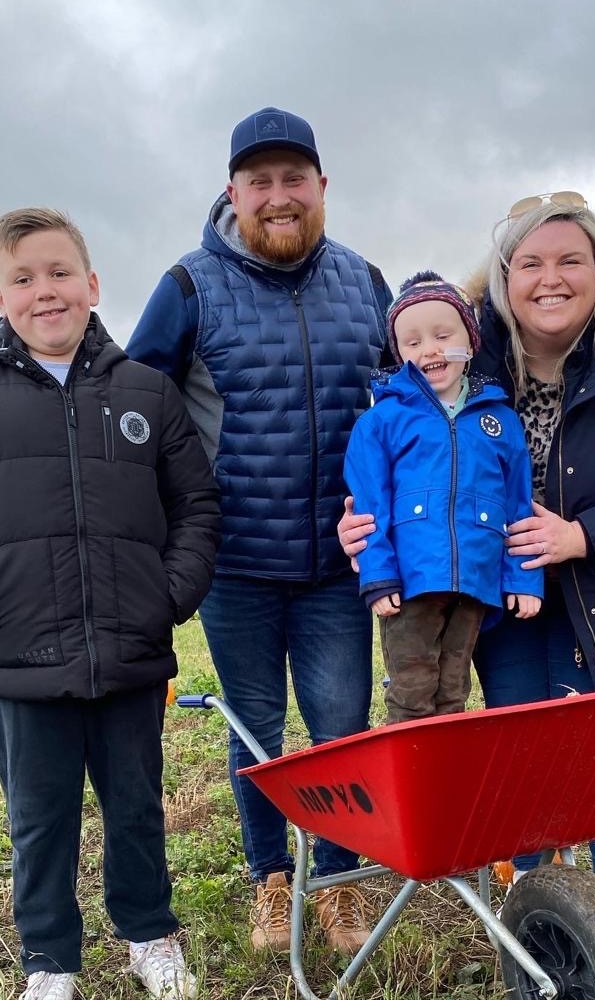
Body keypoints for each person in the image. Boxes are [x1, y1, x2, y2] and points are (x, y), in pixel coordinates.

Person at [339, 194, 595, 926]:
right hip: (490, 590)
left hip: (594, 586)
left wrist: (580, 536)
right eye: (531, 263)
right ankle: (535, 891)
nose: (551, 278)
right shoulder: (468, 360)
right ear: (505, 281)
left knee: (587, 735)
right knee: (515, 731)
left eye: (571, 260)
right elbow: (397, 456)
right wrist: (364, 525)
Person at [0, 208, 220, 1000]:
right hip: (19, 655)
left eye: (61, 273)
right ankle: (50, 961)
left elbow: (197, 505)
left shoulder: (145, 389)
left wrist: (167, 595)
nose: (47, 292)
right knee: (39, 820)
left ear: (93, 284)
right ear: (0, 295)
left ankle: (149, 934)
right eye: (25, 279)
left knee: (137, 807)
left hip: (131, 647)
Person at [127, 108, 391, 955]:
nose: (279, 198)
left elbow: (410, 399)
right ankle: (271, 879)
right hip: (234, 560)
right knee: (255, 729)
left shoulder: (367, 282)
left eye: (294, 180)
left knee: (341, 733)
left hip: (341, 566)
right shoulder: (189, 285)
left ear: (322, 188)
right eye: (260, 182)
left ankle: (341, 884)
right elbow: (138, 405)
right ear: (233, 191)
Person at [344, 272, 542, 723]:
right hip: (410, 585)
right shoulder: (382, 422)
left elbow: (518, 508)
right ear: (399, 355)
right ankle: (414, 774)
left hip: (476, 581)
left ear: (469, 342)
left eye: (442, 334)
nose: (429, 350)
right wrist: (378, 576)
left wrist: (524, 580)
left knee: (453, 689)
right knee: (412, 689)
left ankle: (445, 778)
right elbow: (368, 507)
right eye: (412, 342)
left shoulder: (500, 421)